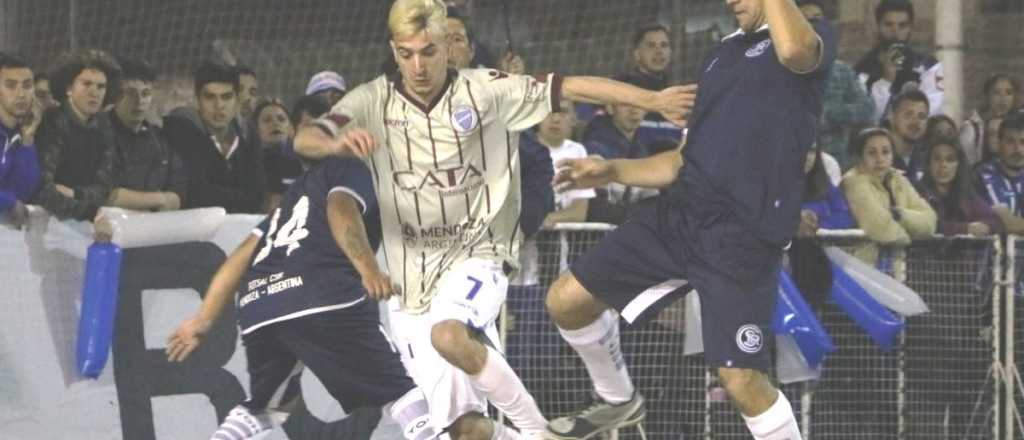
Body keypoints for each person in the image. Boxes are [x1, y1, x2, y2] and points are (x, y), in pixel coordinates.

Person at [291, 1, 695, 439]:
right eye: (406, 54)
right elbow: (306, 137)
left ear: (447, 47)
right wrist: (332, 144)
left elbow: (573, 86)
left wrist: (653, 99)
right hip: (410, 283)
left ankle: (539, 432)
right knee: (466, 431)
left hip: (479, 253)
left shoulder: (488, 89)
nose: (418, 66)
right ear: (394, 51)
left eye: (428, 52)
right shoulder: (370, 100)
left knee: (449, 335)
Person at [544, 1, 834, 439]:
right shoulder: (720, 55)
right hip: (679, 215)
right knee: (565, 300)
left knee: (741, 380)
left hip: (741, 239)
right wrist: (613, 169)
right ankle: (618, 399)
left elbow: (794, 49)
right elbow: (682, 160)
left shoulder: (811, 37)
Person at [166, 156, 435, 440]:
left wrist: (203, 318)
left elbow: (242, 254)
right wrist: (369, 270)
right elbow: (340, 207)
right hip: (322, 295)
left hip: (260, 305)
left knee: (267, 407)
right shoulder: (353, 169)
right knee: (399, 393)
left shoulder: (295, 196)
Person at [164, 61, 266, 213]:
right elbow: (194, 195)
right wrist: (242, 196)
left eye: (226, 97)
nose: (219, 105)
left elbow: (257, 197)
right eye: (210, 97)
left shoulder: (248, 136)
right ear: (197, 101)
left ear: (237, 100)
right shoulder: (181, 130)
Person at [33, 49, 120, 221]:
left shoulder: (105, 127)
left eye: (101, 86)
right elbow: (43, 189)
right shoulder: (51, 123)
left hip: (86, 220)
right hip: (50, 222)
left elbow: (104, 188)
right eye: (86, 84)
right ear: (68, 88)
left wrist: (76, 193)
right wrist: (91, 213)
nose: (94, 92)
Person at [796, 0, 875, 170]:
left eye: (817, 18)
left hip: (838, 163)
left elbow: (867, 109)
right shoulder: (782, 71)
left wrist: (831, 113)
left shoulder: (840, 71)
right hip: (796, 163)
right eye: (806, 19)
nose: (813, 25)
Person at [841, 128, 936, 264]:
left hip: (897, 268)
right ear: (860, 157)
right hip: (863, 268)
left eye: (885, 152)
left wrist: (900, 215)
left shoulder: (899, 179)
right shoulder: (853, 181)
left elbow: (930, 221)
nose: (880, 159)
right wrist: (910, 241)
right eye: (872, 153)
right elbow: (880, 226)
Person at [107, 58, 187, 212]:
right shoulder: (99, 134)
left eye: (145, 93)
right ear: (114, 95)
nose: (139, 101)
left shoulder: (161, 138)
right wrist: (160, 199)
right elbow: (104, 194)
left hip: (156, 222)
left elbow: (179, 189)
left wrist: (168, 200)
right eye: (131, 93)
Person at [854, 0, 942, 121]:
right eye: (888, 24)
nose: (895, 31)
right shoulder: (862, 69)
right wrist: (886, 81)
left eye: (902, 25)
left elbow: (932, 113)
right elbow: (869, 117)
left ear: (911, 28)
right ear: (878, 26)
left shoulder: (928, 66)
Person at [916, 137, 1002, 236]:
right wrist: (966, 228)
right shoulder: (918, 193)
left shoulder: (966, 194)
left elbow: (994, 220)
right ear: (928, 164)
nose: (943, 165)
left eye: (950, 160)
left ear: (959, 166)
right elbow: (928, 226)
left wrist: (985, 226)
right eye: (937, 159)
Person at [0, 52, 41, 229]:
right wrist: (8, 201)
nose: (21, 94)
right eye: (10, 85)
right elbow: (13, 201)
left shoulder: (21, 135)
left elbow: (23, 193)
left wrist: (28, 139)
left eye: (27, 85)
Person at [976, 113, 1024, 234]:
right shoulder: (979, 177)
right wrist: (1012, 223)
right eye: (1010, 141)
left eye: (1023, 142)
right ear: (999, 143)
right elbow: (1008, 226)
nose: (1018, 149)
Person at [252, 98, 301, 212]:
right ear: (256, 129)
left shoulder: (302, 162)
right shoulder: (248, 163)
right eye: (267, 120)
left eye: (281, 119)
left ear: (291, 128)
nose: (275, 123)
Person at [961, 73, 1018, 165]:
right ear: (987, 95)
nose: (1003, 99)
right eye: (997, 92)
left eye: (1009, 93)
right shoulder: (972, 128)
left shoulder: (1017, 125)